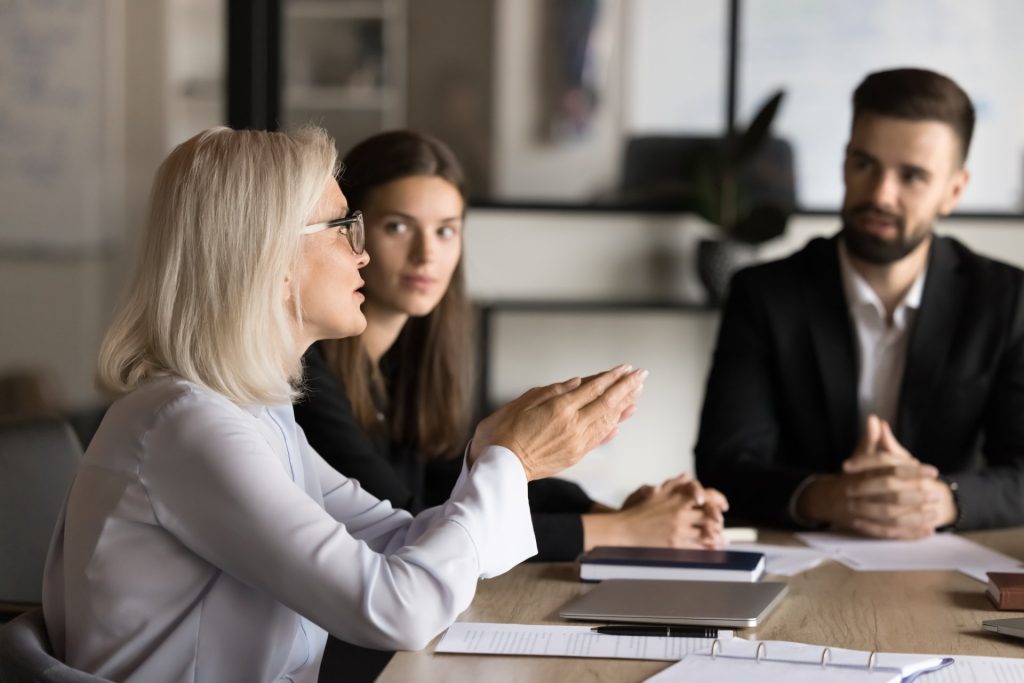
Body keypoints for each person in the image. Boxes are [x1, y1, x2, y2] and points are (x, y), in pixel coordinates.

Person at [41, 126, 645, 682]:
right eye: (342, 228)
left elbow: (394, 535)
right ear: (267, 256)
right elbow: (396, 609)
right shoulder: (188, 426)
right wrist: (511, 460)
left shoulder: (253, 413)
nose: (362, 255)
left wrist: (494, 453)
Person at [294, 130, 728, 563]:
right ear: (350, 231)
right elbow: (411, 523)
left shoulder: (406, 363)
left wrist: (619, 513)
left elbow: (456, 479)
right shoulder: (305, 372)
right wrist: (620, 531)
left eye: (446, 231)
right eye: (398, 227)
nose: (427, 254)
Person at [696, 67, 1024, 539]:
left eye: (911, 176)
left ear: (953, 191)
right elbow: (723, 464)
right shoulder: (765, 294)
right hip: (798, 566)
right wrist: (826, 496)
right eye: (865, 164)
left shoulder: (1006, 300)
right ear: (844, 163)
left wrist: (944, 499)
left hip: (946, 566)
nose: (880, 195)